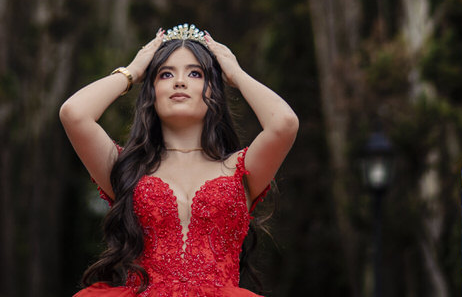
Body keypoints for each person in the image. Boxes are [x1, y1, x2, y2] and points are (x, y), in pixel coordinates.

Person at [60, 23, 299, 296]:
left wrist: (236, 74)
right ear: (151, 92)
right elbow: (74, 113)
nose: (180, 81)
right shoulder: (127, 168)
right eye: (165, 74)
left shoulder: (240, 169)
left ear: (214, 91)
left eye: (195, 73)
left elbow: (284, 123)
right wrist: (132, 72)